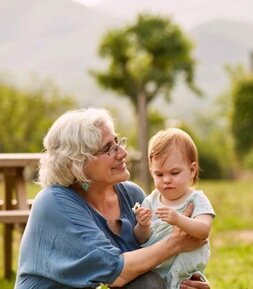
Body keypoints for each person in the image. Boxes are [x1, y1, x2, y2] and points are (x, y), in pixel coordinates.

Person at [15, 108, 210, 289]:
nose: (123, 153)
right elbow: (117, 272)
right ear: (78, 163)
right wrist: (176, 242)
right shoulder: (54, 203)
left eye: (118, 142)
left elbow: (151, 260)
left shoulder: (131, 195)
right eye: (109, 148)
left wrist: (189, 281)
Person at [133, 128, 215, 289]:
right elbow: (141, 239)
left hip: (186, 273)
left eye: (174, 173)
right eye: (159, 174)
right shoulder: (150, 201)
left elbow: (204, 230)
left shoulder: (196, 199)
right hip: (156, 270)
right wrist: (142, 225)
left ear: (192, 171)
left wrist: (178, 219)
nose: (167, 180)